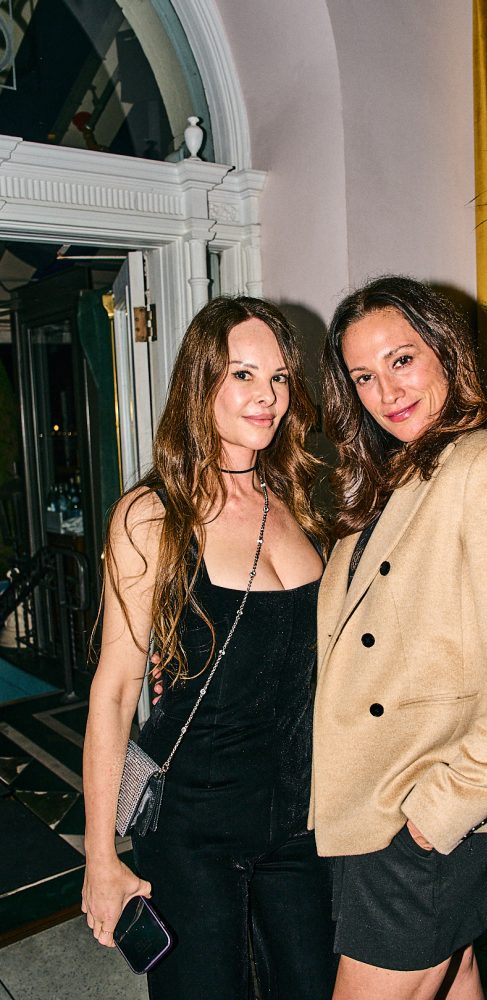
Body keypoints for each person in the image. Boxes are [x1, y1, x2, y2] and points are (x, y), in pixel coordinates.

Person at [309, 275, 487, 1000]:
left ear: (446, 351)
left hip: (420, 807)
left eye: (402, 360)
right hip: (379, 797)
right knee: (454, 974)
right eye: (363, 376)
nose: (386, 391)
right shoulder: (395, 475)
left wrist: (436, 815)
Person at [82, 296, 337, 999]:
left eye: (279, 377)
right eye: (243, 375)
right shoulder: (152, 515)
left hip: (299, 817)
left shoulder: (302, 501)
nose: (268, 397)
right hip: (191, 826)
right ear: (200, 383)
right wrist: (100, 856)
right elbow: (114, 692)